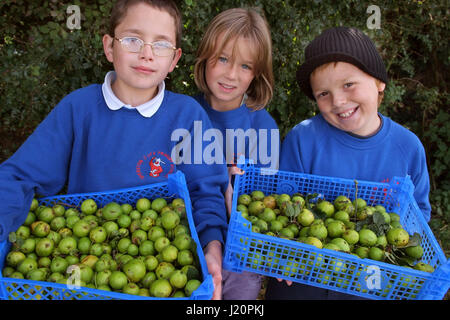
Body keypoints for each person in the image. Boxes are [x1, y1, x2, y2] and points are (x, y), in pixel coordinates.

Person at [0, 0, 229, 300]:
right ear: (109, 47)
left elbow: (206, 192)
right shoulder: (77, 109)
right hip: (82, 274)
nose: (146, 53)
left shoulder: (188, 116)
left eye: (161, 45)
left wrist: (212, 247)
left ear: (174, 60)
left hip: (162, 276)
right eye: (133, 39)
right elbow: (20, 177)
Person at [265, 26, 431, 300]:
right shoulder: (302, 139)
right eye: (323, 94)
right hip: (305, 277)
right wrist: (284, 252)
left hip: (372, 280)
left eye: (348, 85)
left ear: (379, 82)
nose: (339, 101)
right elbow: (284, 205)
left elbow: (418, 215)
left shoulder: (408, 147)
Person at [193, 7, 280, 299]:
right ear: (205, 57)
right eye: (223, 59)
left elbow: (265, 208)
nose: (231, 74)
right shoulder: (184, 114)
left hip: (240, 258)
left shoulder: (262, 126)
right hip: (188, 244)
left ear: (256, 74)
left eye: (245, 66)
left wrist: (237, 190)